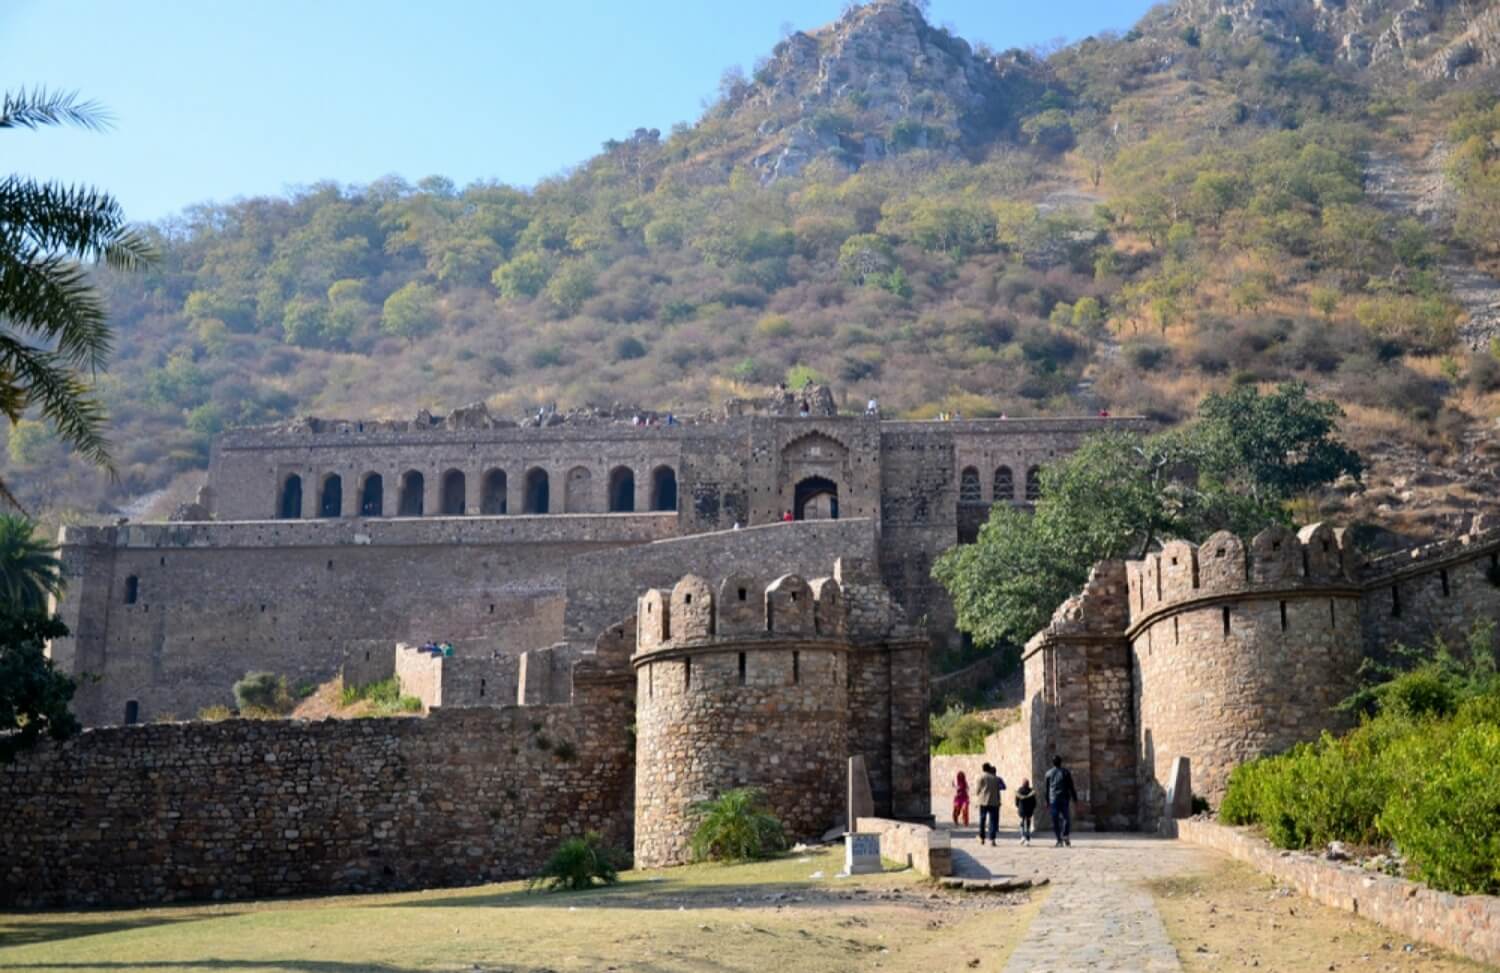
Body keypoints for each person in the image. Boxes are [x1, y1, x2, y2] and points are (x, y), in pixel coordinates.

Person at [1045, 755, 1079, 847]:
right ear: (1061, 762)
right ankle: (1065, 835)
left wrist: (1047, 801)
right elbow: (1071, 787)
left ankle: (1059, 839)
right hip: (1063, 798)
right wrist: (1075, 799)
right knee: (1066, 818)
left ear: (1053, 763)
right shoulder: (1065, 772)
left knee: (1055, 819)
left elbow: (1047, 789)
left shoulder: (1048, 773)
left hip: (1053, 800)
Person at [975, 762, 1005, 845]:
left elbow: (977, 790)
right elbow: (997, 791)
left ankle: (982, 838)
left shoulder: (981, 777)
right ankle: (992, 839)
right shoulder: (995, 778)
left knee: (982, 820)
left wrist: (978, 795)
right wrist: (998, 801)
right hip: (994, 802)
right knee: (992, 821)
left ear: (983, 769)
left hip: (983, 801)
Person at [1014, 778, 1037, 846]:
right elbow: (1034, 802)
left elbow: (1016, 802)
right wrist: (1033, 808)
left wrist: (1018, 806)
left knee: (1022, 824)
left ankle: (1023, 836)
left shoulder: (1019, 791)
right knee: (1028, 825)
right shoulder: (1031, 791)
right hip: (1029, 810)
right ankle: (1027, 839)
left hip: (1022, 810)